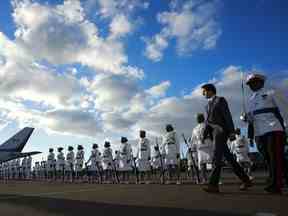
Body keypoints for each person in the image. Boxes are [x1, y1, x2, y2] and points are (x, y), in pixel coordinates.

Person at [201, 83, 252, 193]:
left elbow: (227, 115)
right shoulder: (207, 106)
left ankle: (213, 185)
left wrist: (232, 132)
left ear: (210, 91)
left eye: (204, 91)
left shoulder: (220, 100)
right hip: (214, 133)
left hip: (221, 131)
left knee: (216, 157)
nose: (202, 93)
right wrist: (204, 136)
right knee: (230, 159)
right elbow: (207, 122)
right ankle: (246, 180)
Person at [242, 73, 288, 193]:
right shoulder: (251, 100)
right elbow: (252, 118)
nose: (252, 85)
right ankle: (280, 178)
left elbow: (284, 110)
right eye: (250, 84)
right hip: (259, 132)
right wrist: (246, 118)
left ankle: (275, 185)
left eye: (254, 82)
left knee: (274, 157)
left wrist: (286, 128)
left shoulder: (271, 92)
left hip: (273, 129)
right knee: (270, 158)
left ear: (261, 82)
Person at [190, 113, 213, 184]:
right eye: (197, 118)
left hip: (209, 144)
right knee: (202, 163)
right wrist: (192, 148)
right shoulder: (195, 128)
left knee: (212, 162)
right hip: (200, 147)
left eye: (199, 117)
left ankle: (215, 179)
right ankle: (204, 179)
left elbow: (213, 134)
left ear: (202, 118)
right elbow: (193, 139)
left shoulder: (208, 125)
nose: (198, 119)